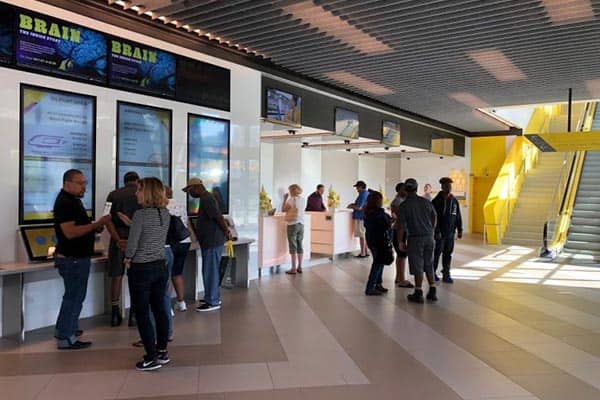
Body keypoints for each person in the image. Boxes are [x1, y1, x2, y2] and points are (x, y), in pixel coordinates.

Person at [53, 169, 110, 349]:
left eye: (85, 183)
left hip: (77, 257)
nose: (84, 186)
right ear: (67, 183)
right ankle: (65, 337)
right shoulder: (65, 203)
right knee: (74, 297)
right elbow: (70, 232)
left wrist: (94, 228)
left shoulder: (73, 201)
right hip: (73, 259)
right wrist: (96, 224)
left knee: (74, 296)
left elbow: (81, 227)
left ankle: (66, 328)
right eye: (80, 183)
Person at [124, 177, 171, 371]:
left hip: (141, 268)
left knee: (142, 313)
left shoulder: (140, 215)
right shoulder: (165, 213)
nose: (136, 193)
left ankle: (150, 357)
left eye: (139, 190)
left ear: (148, 192)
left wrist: (127, 257)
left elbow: (133, 244)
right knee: (159, 309)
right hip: (160, 266)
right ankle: (161, 351)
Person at [183, 178, 232, 312]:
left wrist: (226, 231)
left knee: (210, 270)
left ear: (196, 187)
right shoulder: (206, 198)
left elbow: (218, 217)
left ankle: (212, 301)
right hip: (210, 240)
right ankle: (213, 296)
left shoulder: (207, 199)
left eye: (190, 190)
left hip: (212, 240)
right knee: (210, 269)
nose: (190, 194)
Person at [105, 171, 141, 327]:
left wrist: (117, 238)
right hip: (137, 240)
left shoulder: (113, 195)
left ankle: (114, 313)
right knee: (136, 277)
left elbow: (106, 219)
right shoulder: (141, 194)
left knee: (117, 275)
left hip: (117, 239)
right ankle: (134, 314)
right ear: (137, 181)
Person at [396, 178, 438, 304]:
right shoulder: (425, 202)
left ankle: (418, 292)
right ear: (416, 188)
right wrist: (432, 229)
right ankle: (432, 290)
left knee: (418, 265)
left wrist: (400, 241)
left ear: (405, 189)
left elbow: (401, 226)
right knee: (429, 263)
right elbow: (434, 216)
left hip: (415, 238)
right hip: (429, 237)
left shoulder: (404, 205)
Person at [432, 177, 463, 284]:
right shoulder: (436, 201)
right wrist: (436, 231)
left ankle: (446, 273)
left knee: (448, 254)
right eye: (446, 185)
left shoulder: (454, 201)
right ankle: (433, 273)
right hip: (439, 233)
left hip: (450, 233)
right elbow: (433, 218)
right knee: (436, 253)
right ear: (442, 186)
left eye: (450, 185)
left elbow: (457, 215)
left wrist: (460, 229)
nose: (449, 187)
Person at [166, 186, 192, 311]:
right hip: (184, 241)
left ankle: (167, 306)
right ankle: (181, 302)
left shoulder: (162, 205)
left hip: (169, 243)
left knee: (167, 274)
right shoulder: (181, 204)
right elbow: (186, 221)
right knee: (177, 272)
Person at [363, 191, 391, 295]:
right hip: (379, 241)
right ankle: (370, 287)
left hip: (372, 240)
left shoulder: (368, 212)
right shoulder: (378, 213)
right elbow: (385, 224)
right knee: (378, 263)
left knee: (380, 261)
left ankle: (378, 284)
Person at [390, 182, 413, 288]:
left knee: (400, 255)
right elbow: (400, 218)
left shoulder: (401, 201)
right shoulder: (398, 202)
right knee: (402, 255)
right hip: (400, 231)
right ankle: (402, 279)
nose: (406, 191)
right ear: (399, 190)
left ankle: (398, 277)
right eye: (404, 189)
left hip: (400, 230)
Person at [282, 184, 306, 274]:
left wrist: (284, 199)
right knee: (300, 245)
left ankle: (293, 268)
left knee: (293, 246)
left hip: (293, 224)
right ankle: (300, 266)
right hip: (301, 224)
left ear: (292, 191)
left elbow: (283, 209)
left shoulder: (291, 200)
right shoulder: (303, 199)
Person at [347, 180, 369, 257]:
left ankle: (362, 253)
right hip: (363, 217)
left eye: (357, 187)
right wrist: (354, 204)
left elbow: (359, 207)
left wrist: (351, 206)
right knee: (363, 235)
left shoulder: (363, 195)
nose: (356, 189)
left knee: (362, 235)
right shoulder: (366, 194)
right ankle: (365, 252)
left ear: (360, 187)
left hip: (360, 217)